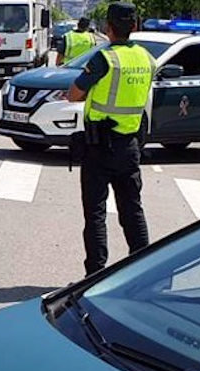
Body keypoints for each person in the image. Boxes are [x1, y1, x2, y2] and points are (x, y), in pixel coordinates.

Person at [67, 2, 155, 276]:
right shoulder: (148, 59)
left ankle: (95, 274)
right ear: (135, 27)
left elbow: (74, 93)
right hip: (130, 145)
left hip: (99, 147)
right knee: (132, 209)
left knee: (95, 214)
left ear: (108, 28)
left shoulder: (105, 59)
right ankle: (142, 270)